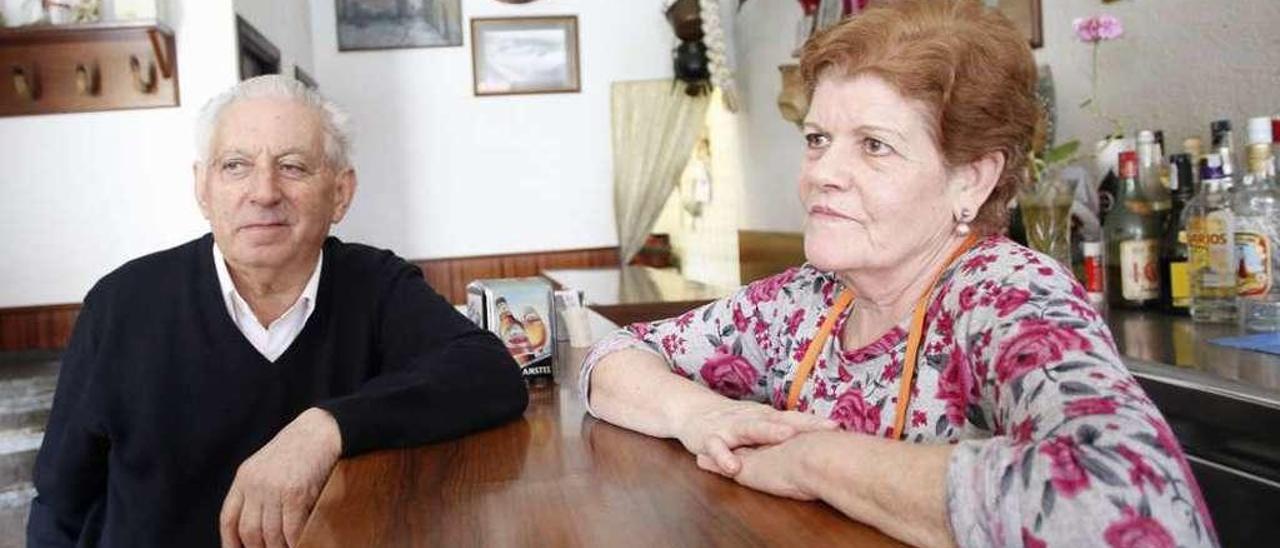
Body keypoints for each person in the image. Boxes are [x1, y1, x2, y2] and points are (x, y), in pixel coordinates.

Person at [579, 1, 1218, 546]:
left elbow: (1134, 507)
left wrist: (814, 459)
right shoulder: (803, 300)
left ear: (972, 178)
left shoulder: (1008, 294)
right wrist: (700, 418)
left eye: (874, 145)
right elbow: (612, 359)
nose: (823, 172)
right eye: (817, 138)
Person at [28, 75, 529, 547]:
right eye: (236, 165)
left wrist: (324, 428)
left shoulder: (375, 284)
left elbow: (490, 373)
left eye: (292, 166)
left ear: (340, 192)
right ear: (203, 189)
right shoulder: (121, 304)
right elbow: (60, 502)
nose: (264, 192)